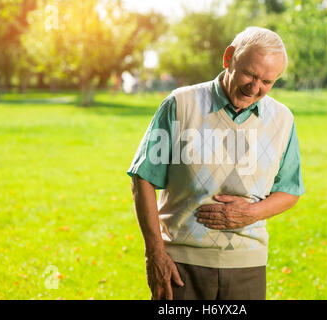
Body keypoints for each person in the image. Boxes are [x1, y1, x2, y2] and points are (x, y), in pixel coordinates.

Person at [128, 26, 304, 300]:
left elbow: (290, 190)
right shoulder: (179, 105)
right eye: (250, 74)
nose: (255, 87)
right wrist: (154, 253)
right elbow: (143, 179)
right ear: (229, 58)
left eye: (267, 82)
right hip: (179, 266)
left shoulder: (283, 119)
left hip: (247, 266)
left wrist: (252, 213)